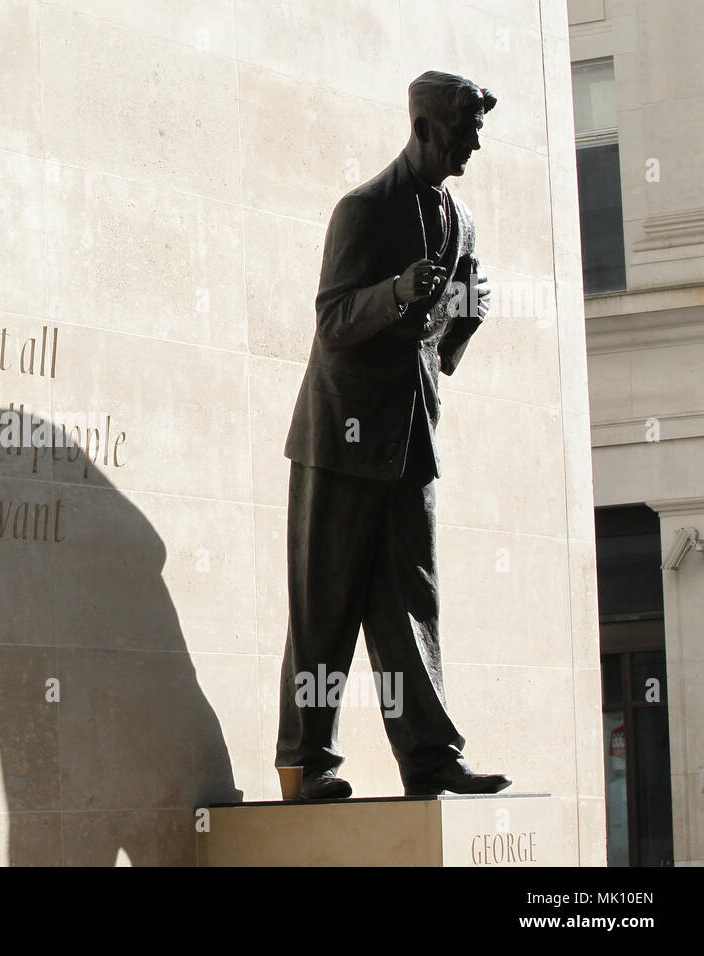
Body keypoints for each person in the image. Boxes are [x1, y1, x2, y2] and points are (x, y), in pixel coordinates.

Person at [277, 71, 512, 800]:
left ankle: (432, 760)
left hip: (412, 439)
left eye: (478, 130)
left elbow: (440, 341)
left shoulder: (461, 219)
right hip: (341, 442)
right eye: (464, 129)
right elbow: (333, 321)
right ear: (424, 128)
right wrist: (400, 291)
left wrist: (463, 316)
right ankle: (305, 762)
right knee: (327, 605)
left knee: (412, 602)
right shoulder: (363, 210)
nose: (474, 143)